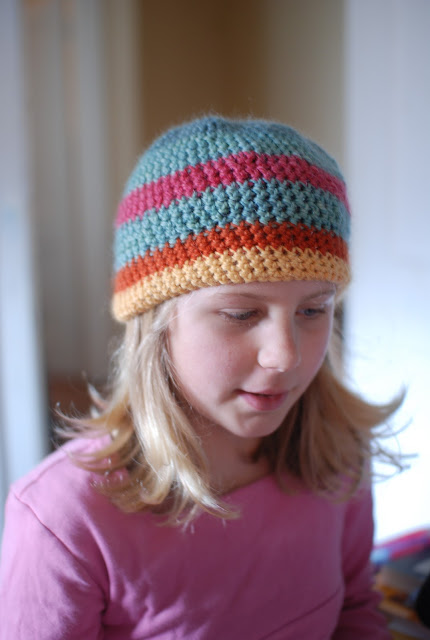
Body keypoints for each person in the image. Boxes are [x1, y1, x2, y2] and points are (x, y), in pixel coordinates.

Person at [0, 116, 401, 639]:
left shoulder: (338, 460)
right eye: (240, 313)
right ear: (155, 322)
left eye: (313, 310)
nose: (285, 356)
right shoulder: (65, 520)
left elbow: (356, 612)